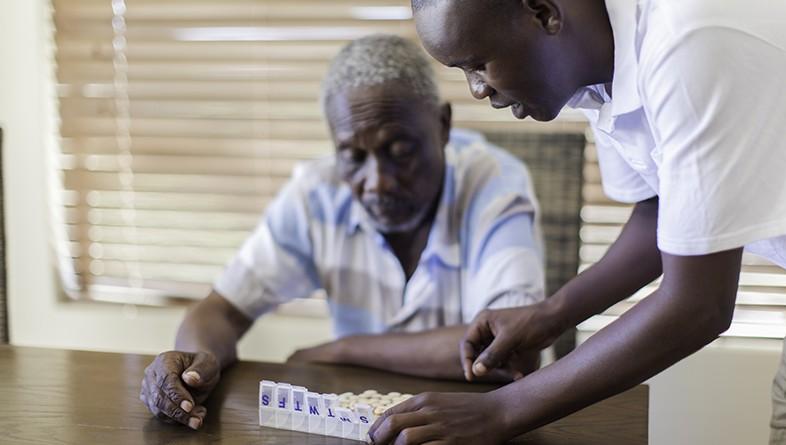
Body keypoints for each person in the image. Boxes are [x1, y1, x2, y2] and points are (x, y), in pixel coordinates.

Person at [367, 1, 786, 444]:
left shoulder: (685, 45)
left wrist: (500, 410)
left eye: (478, 64)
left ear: (543, 12)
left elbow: (698, 306)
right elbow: (662, 211)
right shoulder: (592, 65)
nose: (477, 90)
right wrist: (551, 314)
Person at [139, 34, 545, 431]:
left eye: (400, 151)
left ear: (442, 125)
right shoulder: (316, 191)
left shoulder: (494, 183)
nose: (377, 182)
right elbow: (222, 309)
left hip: (471, 428)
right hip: (357, 427)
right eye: (353, 156)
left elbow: (511, 350)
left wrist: (342, 349)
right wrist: (194, 362)